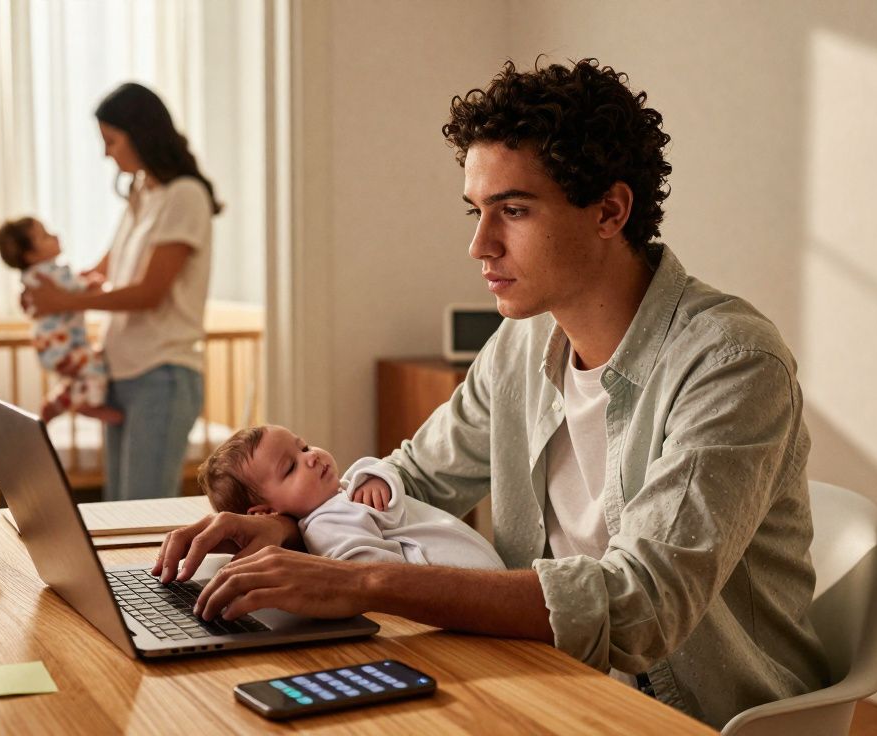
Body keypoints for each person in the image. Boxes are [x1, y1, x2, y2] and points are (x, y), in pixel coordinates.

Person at [153, 58, 829, 728]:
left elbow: (639, 605)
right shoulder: (522, 343)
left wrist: (363, 580)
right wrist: (287, 524)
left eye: (513, 210)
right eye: (477, 212)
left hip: (689, 717)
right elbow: (414, 478)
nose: (480, 245)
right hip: (545, 676)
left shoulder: (733, 362)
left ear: (609, 211)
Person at [25, 82, 222, 501]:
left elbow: (149, 293)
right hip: (124, 369)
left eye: (112, 141)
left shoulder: (184, 196)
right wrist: (47, 284)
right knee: (119, 506)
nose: (106, 154)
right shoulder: (142, 192)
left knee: (142, 507)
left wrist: (68, 300)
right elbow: (107, 266)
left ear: (141, 134)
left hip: (162, 373)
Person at [198, 425, 505, 570]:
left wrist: (377, 476)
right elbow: (372, 574)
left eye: (304, 447)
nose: (310, 457)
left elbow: (389, 469)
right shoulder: (326, 526)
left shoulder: (342, 491)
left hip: (480, 572)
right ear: (264, 512)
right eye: (290, 467)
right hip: (460, 575)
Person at [0, 216, 123, 425]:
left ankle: (58, 401)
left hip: (52, 347)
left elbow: (30, 302)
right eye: (45, 236)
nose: (55, 236)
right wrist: (92, 285)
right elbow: (75, 289)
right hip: (63, 345)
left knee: (81, 373)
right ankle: (90, 403)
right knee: (95, 364)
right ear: (31, 255)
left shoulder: (32, 277)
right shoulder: (51, 272)